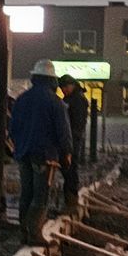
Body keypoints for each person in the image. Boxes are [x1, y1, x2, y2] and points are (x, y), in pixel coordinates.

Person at [8, 60, 72, 240]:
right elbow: (63, 131)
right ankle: (35, 234)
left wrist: (19, 147)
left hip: (23, 154)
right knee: (41, 195)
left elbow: (12, 128)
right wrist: (67, 152)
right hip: (45, 156)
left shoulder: (21, 99)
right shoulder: (55, 102)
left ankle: (24, 232)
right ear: (52, 80)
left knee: (26, 194)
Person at [56, 74, 89, 213]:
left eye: (64, 87)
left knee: (70, 169)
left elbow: (77, 124)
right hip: (71, 138)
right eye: (61, 88)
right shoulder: (72, 98)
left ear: (72, 85)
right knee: (69, 170)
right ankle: (70, 200)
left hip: (72, 139)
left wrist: (70, 142)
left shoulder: (77, 100)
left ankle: (71, 201)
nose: (63, 90)